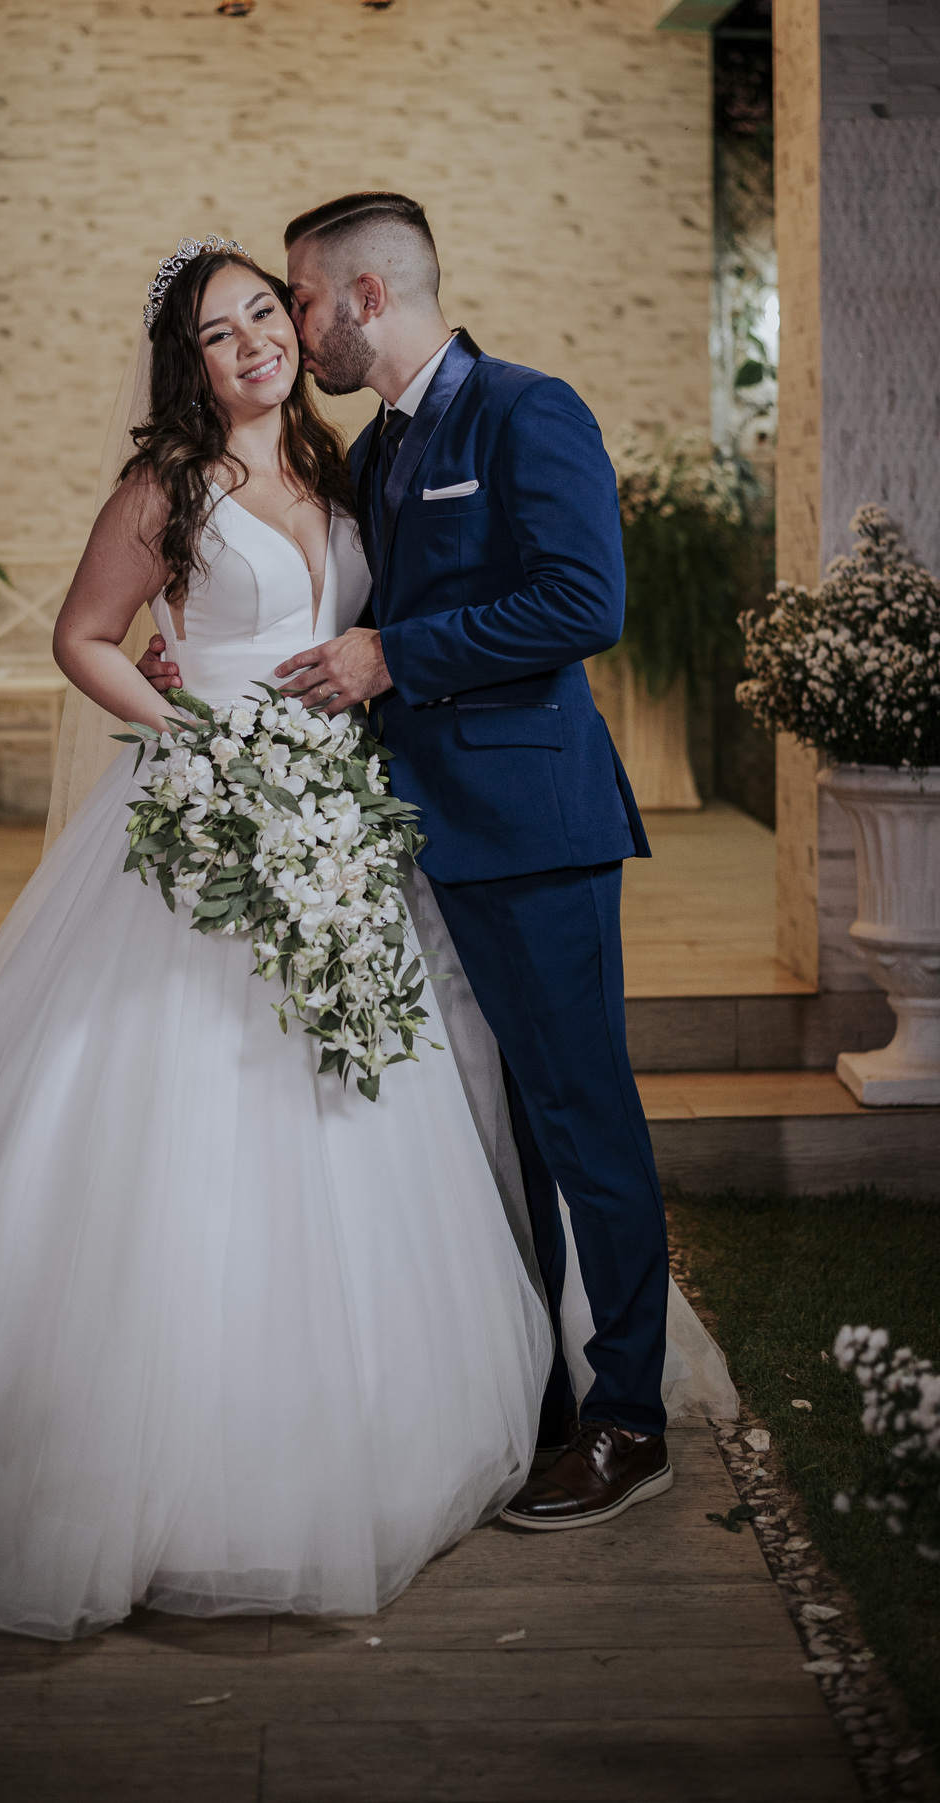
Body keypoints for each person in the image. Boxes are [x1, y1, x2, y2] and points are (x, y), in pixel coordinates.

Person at [0, 241, 552, 1638]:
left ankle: (354, 1431)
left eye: (264, 313)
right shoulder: (166, 488)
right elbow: (85, 637)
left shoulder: (345, 470)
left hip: (336, 822)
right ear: (186, 365)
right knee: (180, 1111)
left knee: (348, 1098)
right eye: (215, 331)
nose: (251, 342)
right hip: (205, 818)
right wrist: (193, 733)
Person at [138, 193, 682, 1532]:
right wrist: (191, 653)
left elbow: (584, 600)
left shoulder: (525, 411)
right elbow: (324, 608)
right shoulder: (373, 450)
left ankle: (630, 1418)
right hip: (398, 846)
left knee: (581, 1118)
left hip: (532, 832)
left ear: (366, 299)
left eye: (299, 300)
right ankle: (539, 1392)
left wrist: (396, 654)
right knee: (502, 1131)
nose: (291, 326)